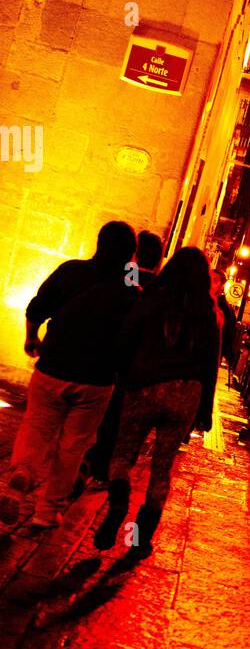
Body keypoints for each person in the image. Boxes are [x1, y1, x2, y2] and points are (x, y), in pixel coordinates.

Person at [0, 221, 137, 534]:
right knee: (72, 446)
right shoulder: (129, 293)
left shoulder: (71, 271)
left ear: (99, 244)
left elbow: (37, 307)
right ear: (130, 254)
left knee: (36, 425)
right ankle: (46, 513)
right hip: (95, 379)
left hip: (53, 366)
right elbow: (129, 340)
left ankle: (23, 471)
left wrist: (31, 337)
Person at [93, 247, 219, 555]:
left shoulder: (151, 298)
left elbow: (125, 337)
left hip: (145, 386)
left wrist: (121, 373)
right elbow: (209, 365)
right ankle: (141, 539)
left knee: (124, 453)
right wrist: (204, 411)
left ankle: (119, 502)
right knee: (163, 467)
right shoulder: (208, 311)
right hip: (186, 394)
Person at [80, 229, 166, 486]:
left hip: (107, 362)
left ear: (135, 254)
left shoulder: (122, 281)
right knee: (119, 424)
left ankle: (85, 464)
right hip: (138, 371)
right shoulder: (160, 291)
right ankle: (103, 471)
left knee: (95, 418)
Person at [210, 268, 239, 377]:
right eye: (209, 278)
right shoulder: (198, 300)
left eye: (215, 280)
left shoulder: (224, 309)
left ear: (222, 285)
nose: (210, 282)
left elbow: (229, 335)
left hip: (209, 360)